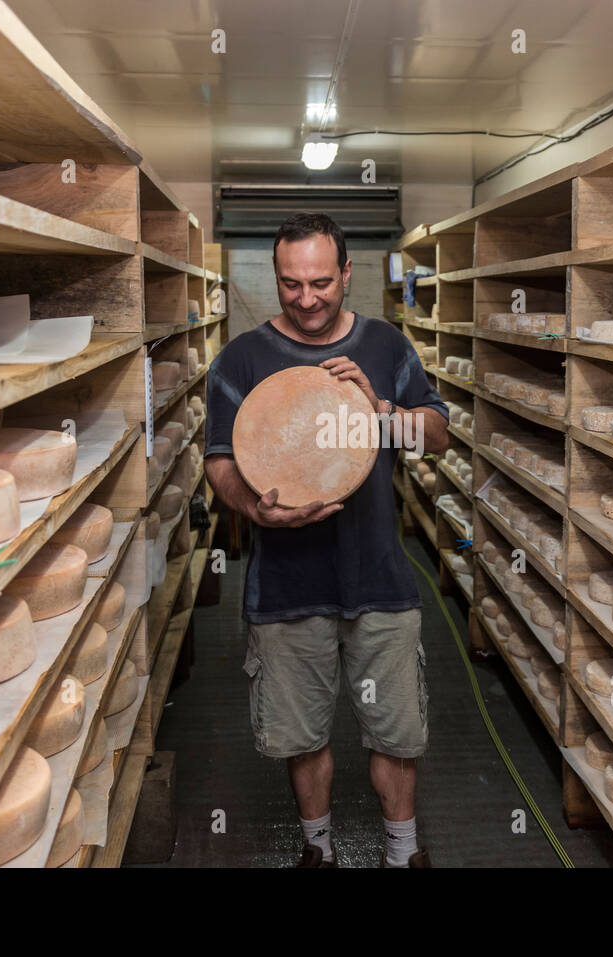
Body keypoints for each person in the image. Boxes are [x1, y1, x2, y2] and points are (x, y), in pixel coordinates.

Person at [204, 212, 449, 867]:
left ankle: (403, 853)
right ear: (275, 277)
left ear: (348, 273)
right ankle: (319, 850)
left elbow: (437, 436)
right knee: (301, 733)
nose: (306, 298)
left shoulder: (387, 348)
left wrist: (384, 415)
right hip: (286, 586)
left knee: (396, 731)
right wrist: (253, 507)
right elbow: (220, 459)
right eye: (290, 284)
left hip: (379, 582)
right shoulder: (242, 358)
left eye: (320, 282)